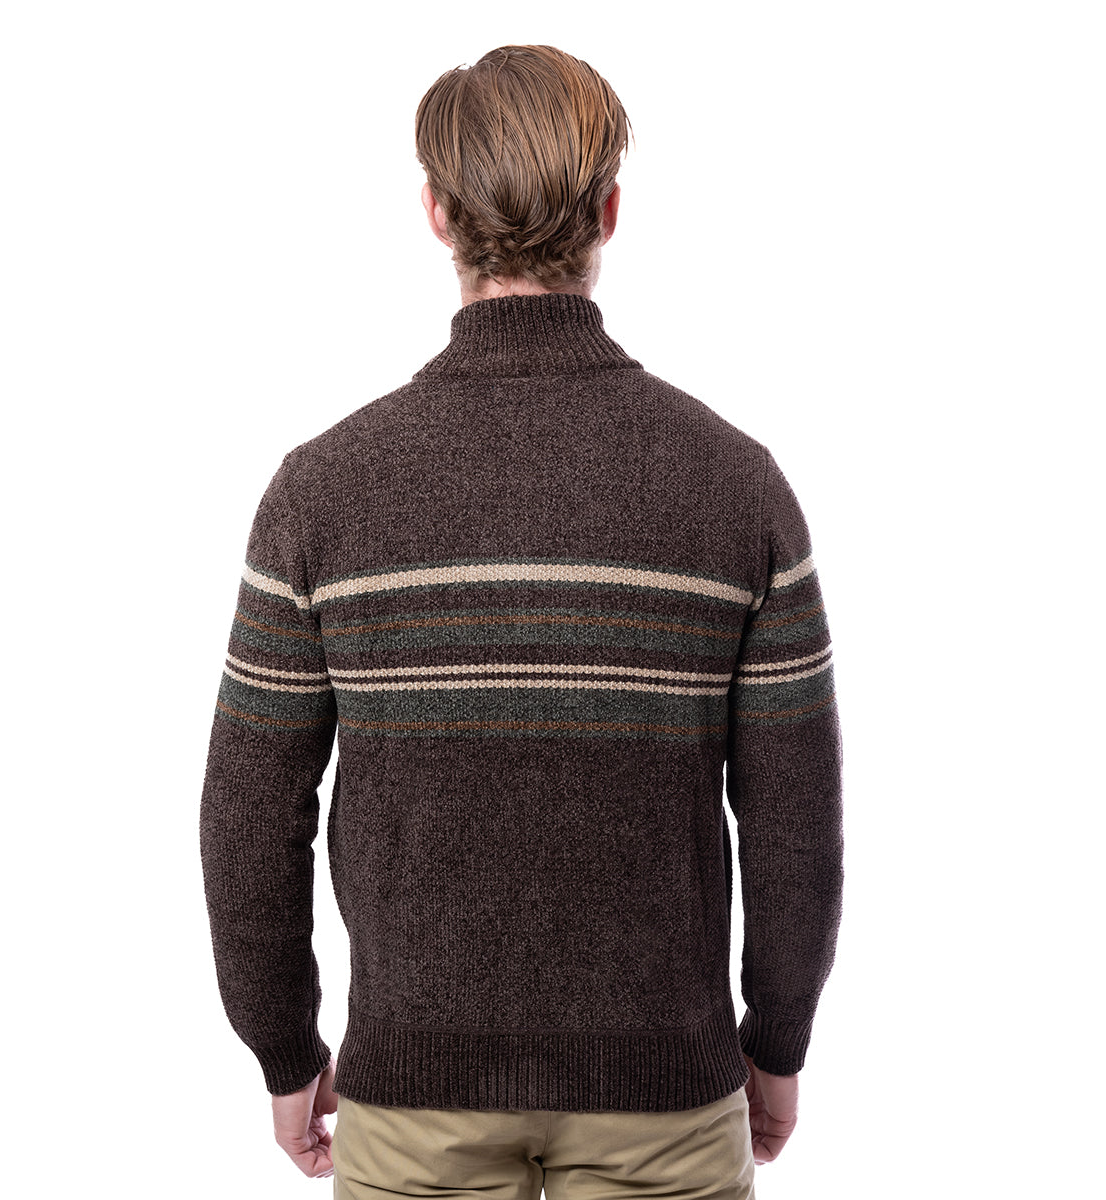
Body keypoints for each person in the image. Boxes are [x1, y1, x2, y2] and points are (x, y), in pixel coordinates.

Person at [199, 44, 844, 1197]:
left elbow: (249, 815)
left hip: (414, 1096)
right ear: (610, 212)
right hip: (666, 1098)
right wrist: (779, 1044)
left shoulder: (322, 491)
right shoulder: (736, 485)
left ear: (438, 215)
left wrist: (283, 1053)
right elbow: (796, 824)